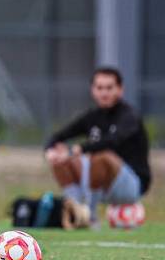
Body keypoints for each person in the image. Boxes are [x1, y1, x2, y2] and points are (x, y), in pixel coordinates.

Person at [44, 67, 151, 224]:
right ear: (93, 90)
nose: (104, 93)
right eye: (99, 88)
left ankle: (90, 215)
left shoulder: (129, 115)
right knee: (60, 159)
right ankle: (77, 213)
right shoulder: (91, 117)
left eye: (109, 88)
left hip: (131, 185)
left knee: (103, 156)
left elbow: (112, 141)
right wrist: (50, 151)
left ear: (120, 90)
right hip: (97, 184)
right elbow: (57, 136)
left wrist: (77, 149)